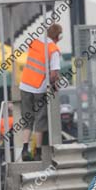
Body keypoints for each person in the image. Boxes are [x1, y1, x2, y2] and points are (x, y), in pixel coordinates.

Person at [19, 23, 63, 161]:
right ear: (59, 36)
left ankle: (25, 150)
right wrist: (55, 83)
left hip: (25, 85)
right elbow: (54, 74)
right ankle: (37, 151)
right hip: (40, 88)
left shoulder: (35, 42)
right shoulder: (53, 49)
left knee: (27, 119)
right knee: (40, 119)